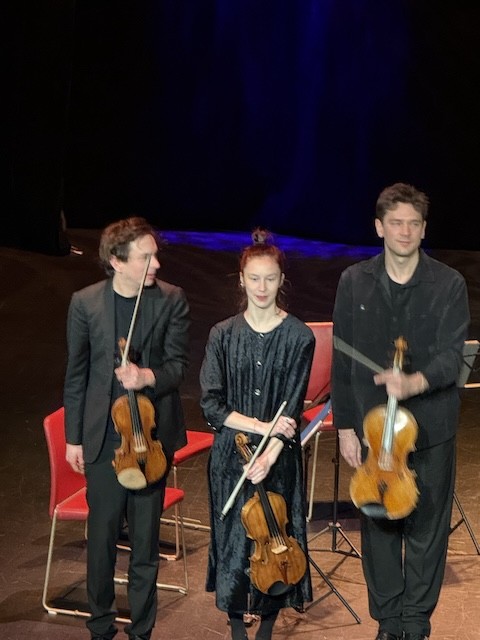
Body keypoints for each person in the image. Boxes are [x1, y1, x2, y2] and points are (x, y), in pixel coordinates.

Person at [331, 183, 470, 640]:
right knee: (379, 525)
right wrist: (345, 426)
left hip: (431, 426)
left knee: (428, 529)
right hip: (373, 430)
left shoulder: (449, 284)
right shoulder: (354, 281)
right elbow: (342, 359)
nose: (405, 231)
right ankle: (389, 623)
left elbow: (452, 357)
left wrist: (415, 382)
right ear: (379, 227)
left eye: (413, 223)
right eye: (396, 223)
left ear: (424, 229)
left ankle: (416, 623)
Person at [64, 216, 190, 640]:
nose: (156, 264)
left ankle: (142, 631)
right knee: (101, 541)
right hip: (104, 439)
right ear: (117, 261)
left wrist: (146, 376)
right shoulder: (85, 303)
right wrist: (73, 438)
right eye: (145, 257)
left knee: (145, 543)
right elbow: (76, 375)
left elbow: (178, 366)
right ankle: (101, 627)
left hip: (151, 440)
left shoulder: (171, 299)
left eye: (156, 255)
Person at [199, 229, 315, 640]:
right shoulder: (222, 335)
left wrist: (269, 453)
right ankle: (235, 629)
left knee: (277, 542)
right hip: (231, 458)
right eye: (254, 278)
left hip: (277, 460)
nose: (262, 287)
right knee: (233, 542)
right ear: (241, 280)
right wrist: (262, 427)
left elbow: (291, 411)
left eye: (270, 278)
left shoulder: (300, 337)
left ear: (282, 280)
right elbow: (212, 405)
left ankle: (265, 630)